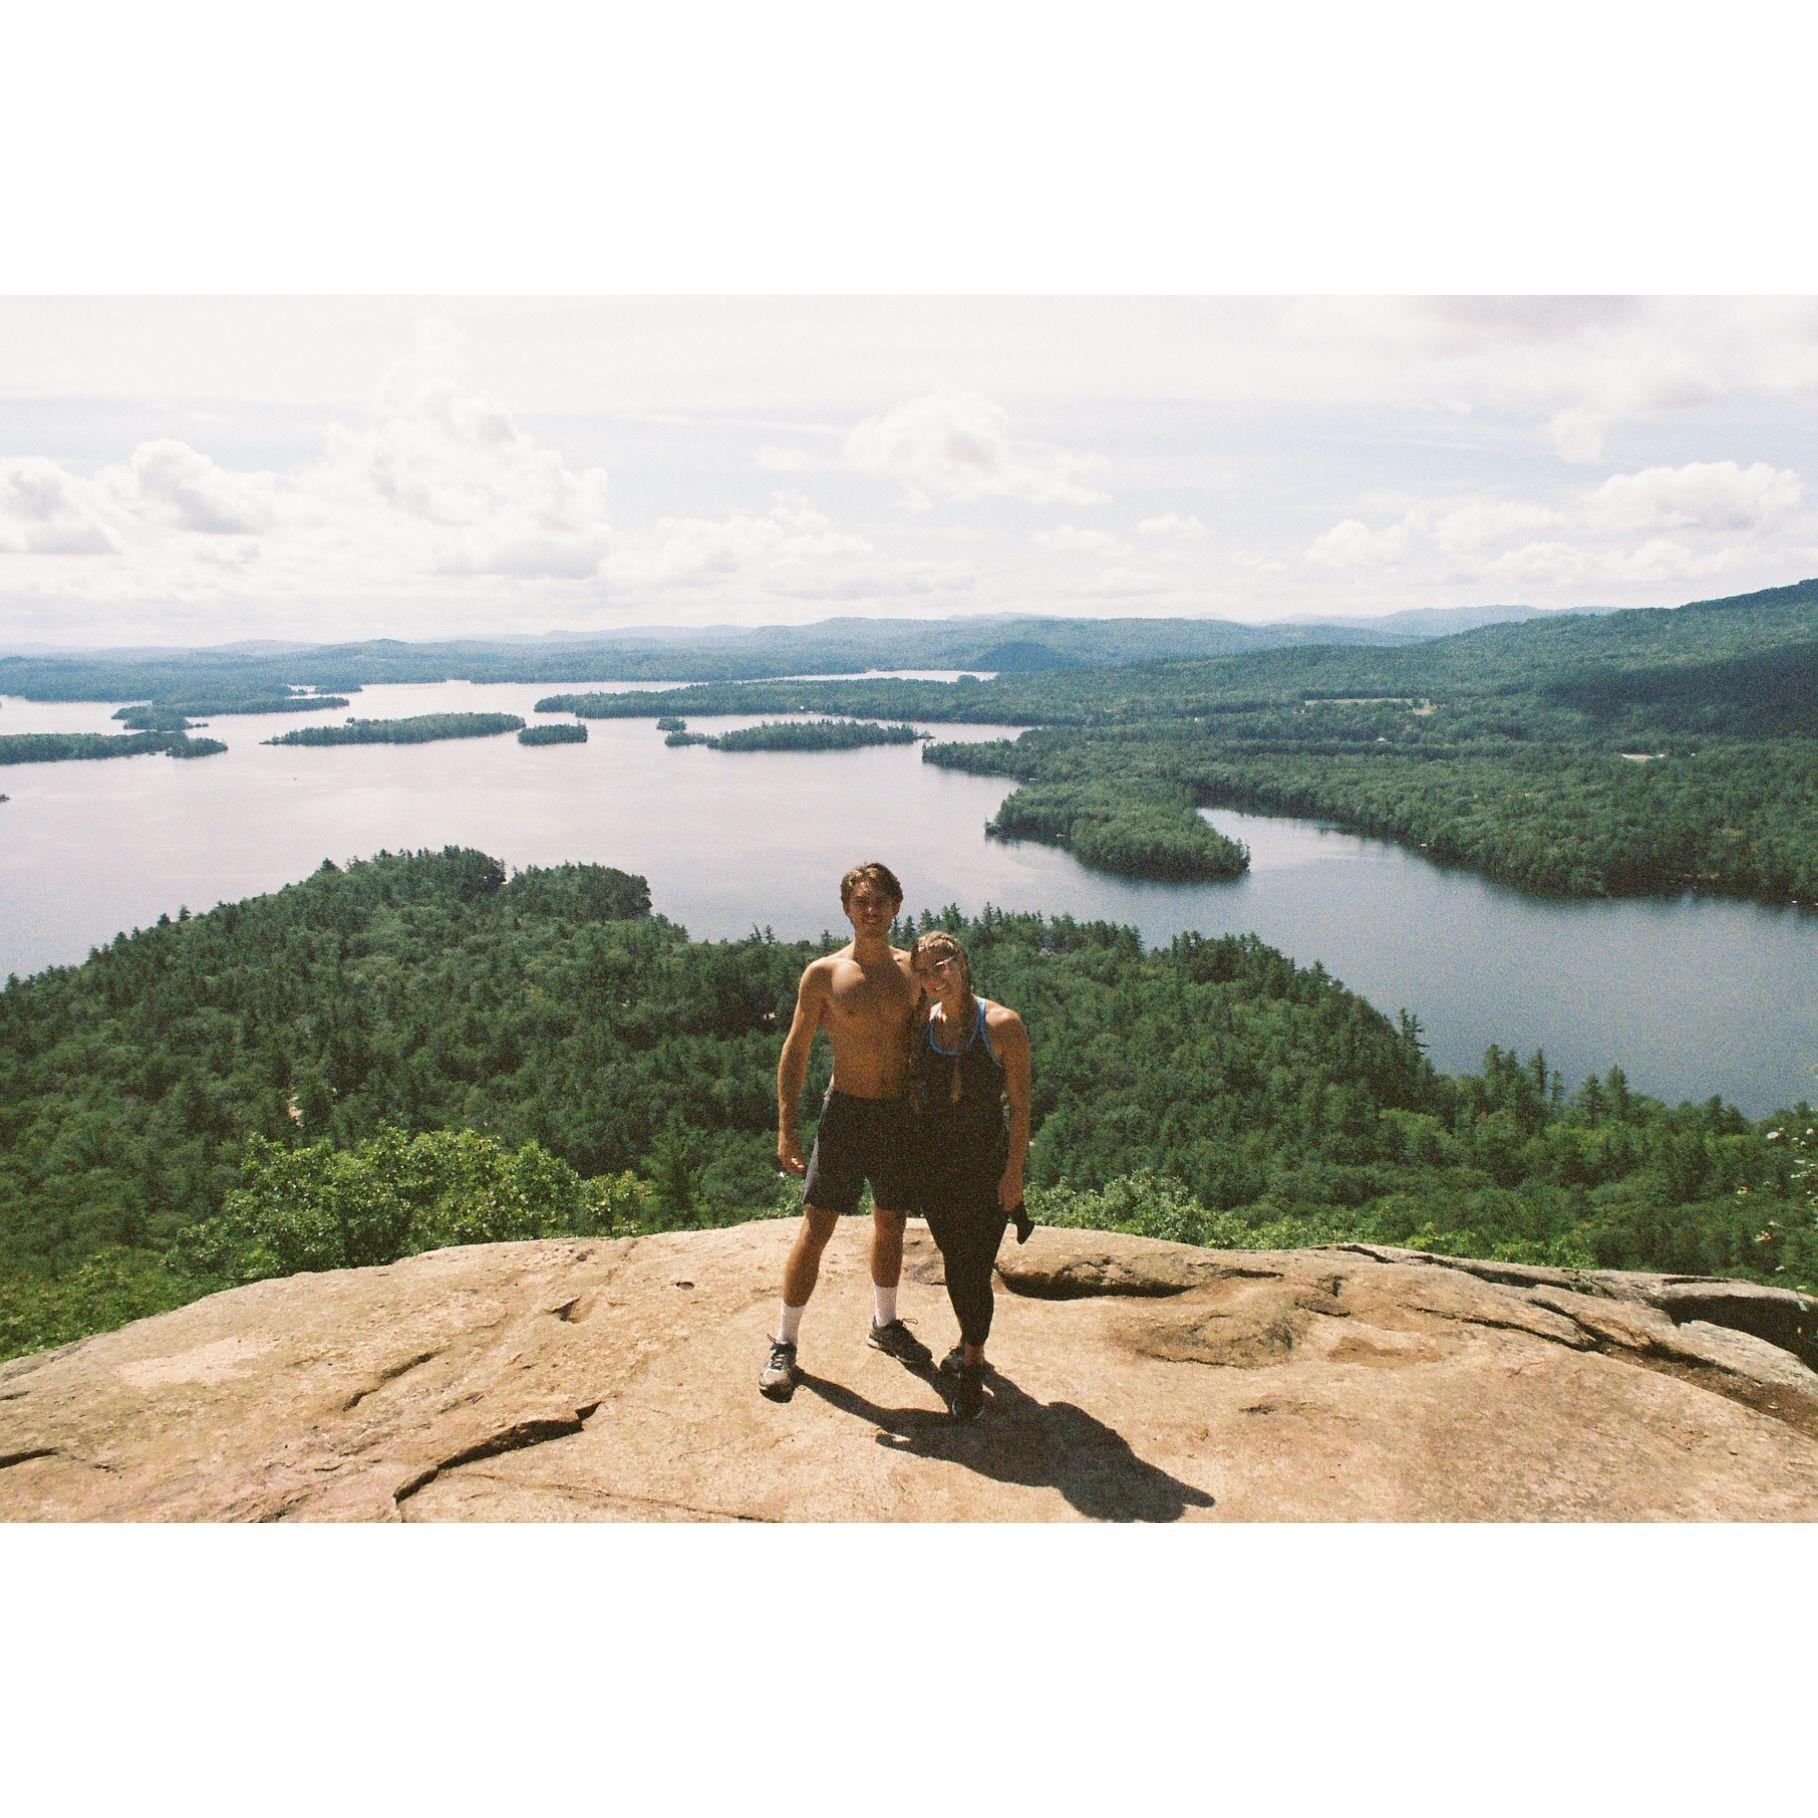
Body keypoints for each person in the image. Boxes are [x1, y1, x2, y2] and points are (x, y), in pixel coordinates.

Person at [760, 861, 933, 1401]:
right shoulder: (825, 975)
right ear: (846, 909)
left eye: (880, 901)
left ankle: (884, 1323)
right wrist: (786, 1128)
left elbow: (937, 1041)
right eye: (861, 901)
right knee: (818, 1226)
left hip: (897, 1113)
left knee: (891, 1221)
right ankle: (784, 1342)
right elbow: (796, 1051)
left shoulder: (914, 972)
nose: (871, 910)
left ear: (897, 907)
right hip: (847, 1112)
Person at [907, 929, 1033, 1421]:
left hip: (985, 1168)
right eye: (924, 971)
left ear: (962, 962)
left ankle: (973, 1368)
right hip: (939, 1170)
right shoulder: (926, 1026)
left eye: (943, 964)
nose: (935, 976)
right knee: (957, 1258)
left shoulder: (1002, 1025)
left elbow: (1020, 1109)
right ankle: (968, 1339)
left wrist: (1013, 1175)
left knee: (971, 1269)